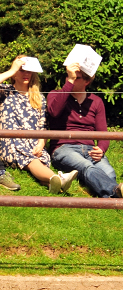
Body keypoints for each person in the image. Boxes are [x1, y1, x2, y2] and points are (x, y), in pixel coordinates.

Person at [0, 56, 77, 194]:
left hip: (33, 144)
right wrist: (11, 70)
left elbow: (43, 126)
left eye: (29, 71)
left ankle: (52, 184)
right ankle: (58, 177)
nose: (26, 74)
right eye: (22, 70)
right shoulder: (5, 91)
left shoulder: (39, 98)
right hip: (10, 143)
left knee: (41, 158)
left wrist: (40, 145)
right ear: (15, 72)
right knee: (30, 159)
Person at [47, 63, 123, 198]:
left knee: (110, 172)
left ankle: (111, 196)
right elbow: (54, 111)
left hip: (89, 148)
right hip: (63, 148)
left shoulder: (96, 101)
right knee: (86, 166)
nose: (69, 78)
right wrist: (70, 82)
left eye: (76, 77)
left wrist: (101, 149)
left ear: (87, 81)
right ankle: (114, 193)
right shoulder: (56, 95)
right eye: (68, 76)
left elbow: (103, 133)